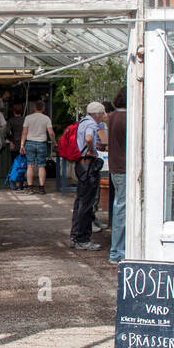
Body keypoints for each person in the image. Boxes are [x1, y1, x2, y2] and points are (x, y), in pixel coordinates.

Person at [70, 101, 106, 251]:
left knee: (80, 201)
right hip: (88, 165)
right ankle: (82, 238)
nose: (103, 116)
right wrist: (91, 150)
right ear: (97, 114)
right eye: (102, 113)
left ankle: (76, 235)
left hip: (81, 164)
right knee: (86, 203)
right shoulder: (91, 124)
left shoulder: (82, 122)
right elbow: (89, 138)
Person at [108, 88, 128, 264]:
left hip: (115, 166)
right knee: (122, 208)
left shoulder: (111, 116)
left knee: (119, 206)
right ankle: (118, 251)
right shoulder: (127, 118)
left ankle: (117, 250)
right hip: (124, 166)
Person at [20, 100, 55, 194]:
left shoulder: (28, 118)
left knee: (30, 165)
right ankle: (41, 188)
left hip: (30, 143)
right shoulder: (46, 118)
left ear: (34, 108)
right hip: (42, 143)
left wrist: (22, 145)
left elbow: (24, 132)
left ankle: (30, 187)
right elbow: (51, 132)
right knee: (41, 166)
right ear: (43, 108)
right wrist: (53, 142)